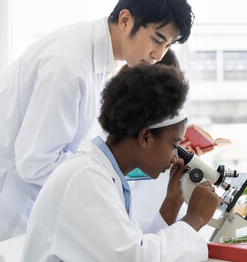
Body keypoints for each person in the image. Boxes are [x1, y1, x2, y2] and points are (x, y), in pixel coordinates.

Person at [0, 0, 194, 241]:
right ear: (125, 20)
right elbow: (35, 162)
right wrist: (106, 176)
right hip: (9, 214)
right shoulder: (69, 66)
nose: (159, 55)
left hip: (29, 210)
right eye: (157, 39)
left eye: (167, 45)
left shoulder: (97, 60)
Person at [22, 64, 221, 261]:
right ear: (145, 137)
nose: (175, 158)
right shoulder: (86, 177)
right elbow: (134, 258)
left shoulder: (105, 174)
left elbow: (137, 244)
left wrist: (172, 201)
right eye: (174, 145)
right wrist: (196, 218)